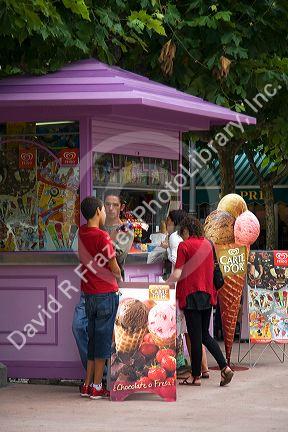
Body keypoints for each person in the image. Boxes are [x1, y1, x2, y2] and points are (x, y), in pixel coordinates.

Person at [166, 216, 234, 387]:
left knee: (196, 338)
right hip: (208, 294)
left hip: (190, 295)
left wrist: (164, 284)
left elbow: (177, 273)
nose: (182, 236)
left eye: (183, 233)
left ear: (187, 230)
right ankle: (222, 368)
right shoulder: (208, 244)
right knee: (204, 335)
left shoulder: (185, 246)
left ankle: (199, 376)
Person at [72, 190, 133, 371]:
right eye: (107, 204)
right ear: (100, 209)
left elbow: (119, 257)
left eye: (115, 205)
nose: (111, 208)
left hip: (109, 288)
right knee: (78, 327)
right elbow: (78, 250)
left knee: (110, 334)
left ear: (121, 208)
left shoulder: (126, 229)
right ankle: (98, 374)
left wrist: (102, 244)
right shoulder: (90, 229)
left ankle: (106, 377)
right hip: (88, 287)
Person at [78, 196, 122, 399]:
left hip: (89, 293)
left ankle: (87, 384)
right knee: (103, 342)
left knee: (93, 340)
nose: (105, 212)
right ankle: (97, 385)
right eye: (104, 209)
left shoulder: (82, 233)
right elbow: (114, 266)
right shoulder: (102, 236)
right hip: (105, 293)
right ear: (97, 211)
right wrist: (119, 275)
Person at [161, 210, 209, 379]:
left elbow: (177, 267)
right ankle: (203, 369)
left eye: (168, 220)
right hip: (204, 292)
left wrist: (167, 283)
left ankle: (195, 370)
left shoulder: (178, 240)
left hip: (186, 290)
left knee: (191, 332)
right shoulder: (205, 243)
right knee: (199, 333)